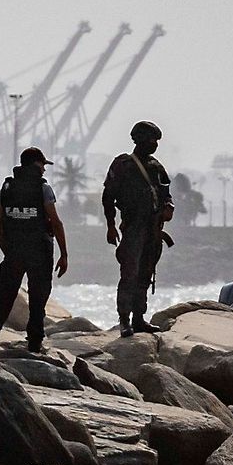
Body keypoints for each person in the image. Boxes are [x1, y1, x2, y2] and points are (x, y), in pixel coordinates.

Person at [0, 147, 68, 353]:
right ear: (36, 164)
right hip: (40, 251)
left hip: (14, 252)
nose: (44, 170)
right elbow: (55, 222)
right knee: (38, 298)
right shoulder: (43, 188)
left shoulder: (7, 187)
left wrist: (8, 249)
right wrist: (64, 254)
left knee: (4, 297)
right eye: (43, 165)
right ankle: (35, 342)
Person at [102, 121, 174, 337]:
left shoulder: (156, 166)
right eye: (151, 140)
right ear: (140, 140)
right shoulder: (123, 165)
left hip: (153, 228)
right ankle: (124, 320)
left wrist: (169, 206)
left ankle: (139, 318)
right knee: (129, 273)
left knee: (145, 273)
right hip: (133, 226)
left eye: (156, 141)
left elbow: (166, 194)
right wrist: (111, 226)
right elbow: (108, 196)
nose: (154, 145)